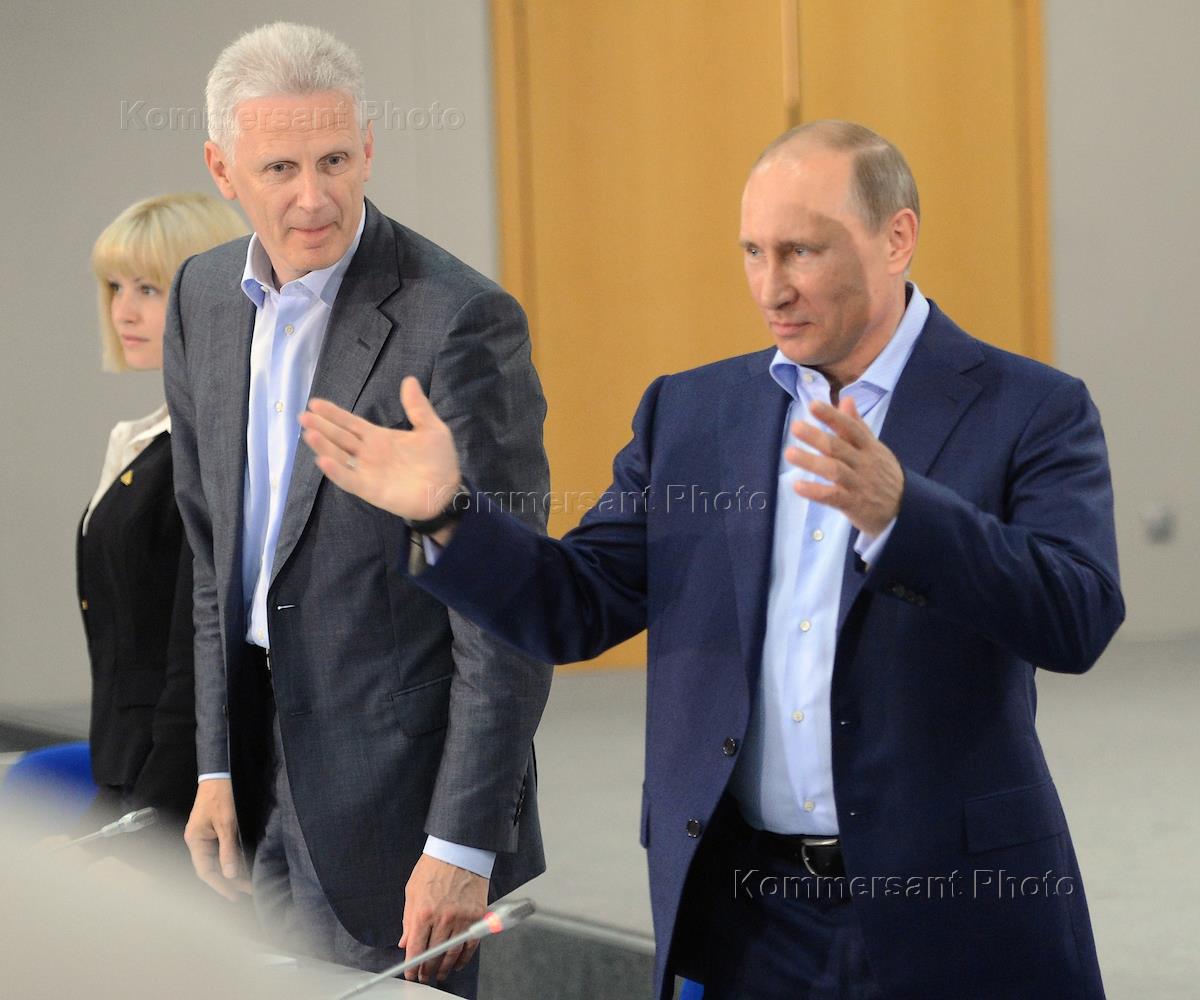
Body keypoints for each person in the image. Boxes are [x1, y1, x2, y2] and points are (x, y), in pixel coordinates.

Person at [300, 121, 1124, 1000]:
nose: (772, 287)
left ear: (897, 238)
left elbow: (1075, 616)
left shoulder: (1030, 407)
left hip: (950, 909)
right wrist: (447, 514)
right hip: (747, 918)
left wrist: (904, 516)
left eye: (803, 251)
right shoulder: (693, 414)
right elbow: (576, 607)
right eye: (754, 252)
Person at [162, 22, 551, 996]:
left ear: (368, 148)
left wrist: (461, 840)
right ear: (221, 169)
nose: (314, 196)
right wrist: (216, 766)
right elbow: (215, 557)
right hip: (256, 776)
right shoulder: (203, 295)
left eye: (335, 160)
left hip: (398, 801)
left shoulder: (457, 319)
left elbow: (507, 606)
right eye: (280, 167)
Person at [79, 193, 247, 857]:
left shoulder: (210, 444)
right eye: (114, 287)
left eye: (148, 289)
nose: (123, 310)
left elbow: (198, 658)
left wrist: (143, 829)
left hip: (178, 797)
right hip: (126, 778)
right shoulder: (143, 439)